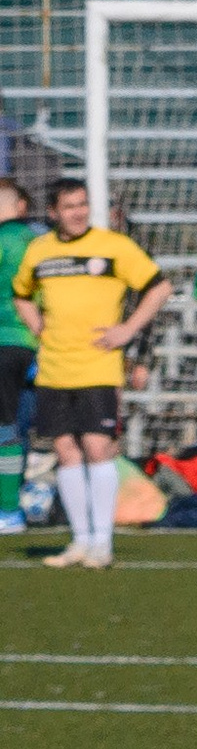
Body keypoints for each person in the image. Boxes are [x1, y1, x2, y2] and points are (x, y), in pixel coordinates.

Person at [11, 176, 168, 568]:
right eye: (69, 207)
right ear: (53, 213)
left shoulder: (113, 247)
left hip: (98, 367)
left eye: (82, 204)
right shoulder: (40, 250)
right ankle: (79, 541)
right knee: (65, 451)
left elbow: (159, 287)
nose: (78, 212)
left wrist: (128, 330)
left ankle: (102, 542)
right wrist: (38, 328)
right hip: (54, 368)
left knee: (98, 448)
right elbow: (20, 293)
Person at [0, 174, 35, 529]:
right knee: (18, 427)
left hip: (4, 340)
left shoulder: (4, 240)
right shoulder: (41, 241)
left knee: (4, 429)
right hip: (39, 344)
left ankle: (9, 509)